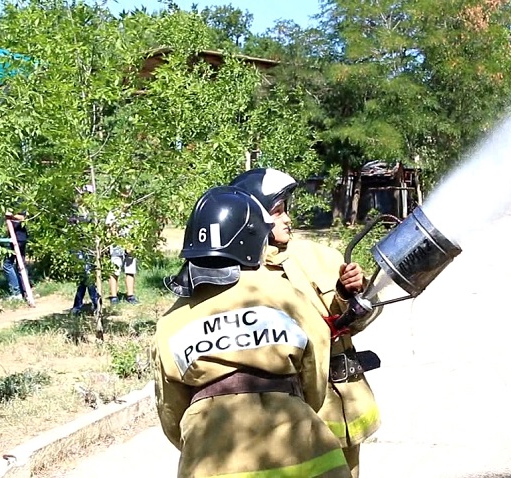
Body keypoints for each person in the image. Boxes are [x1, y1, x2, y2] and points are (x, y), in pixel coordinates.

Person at [153, 186, 350, 478]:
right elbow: (315, 376)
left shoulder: (170, 321)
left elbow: (171, 413)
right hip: (304, 454)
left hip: (211, 459)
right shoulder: (285, 296)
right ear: (254, 241)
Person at [229, 168, 380, 478]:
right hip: (290, 423)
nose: (287, 219)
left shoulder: (323, 256)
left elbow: (361, 321)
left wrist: (354, 294)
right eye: (277, 211)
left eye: (286, 210)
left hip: (346, 408)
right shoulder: (241, 277)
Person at [70, 185, 100, 314]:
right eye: (84, 194)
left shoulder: (95, 210)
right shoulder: (75, 210)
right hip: (77, 245)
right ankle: (94, 303)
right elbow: (70, 225)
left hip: (90, 246)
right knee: (85, 274)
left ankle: (79, 305)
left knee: (87, 275)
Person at [106, 200, 138, 305]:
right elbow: (110, 230)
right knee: (114, 271)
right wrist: (119, 241)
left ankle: (130, 295)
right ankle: (113, 296)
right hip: (117, 245)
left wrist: (132, 244)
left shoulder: (133, 214)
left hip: (130, 245)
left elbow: (136, 230)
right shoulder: (113, 213)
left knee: (130, 270)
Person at [2, 209, 29, 300]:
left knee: (7, 265)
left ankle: (17, 292)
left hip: (18, 238)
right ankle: (24, 292)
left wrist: (11, 215)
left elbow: (23, 217)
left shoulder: (18, 203)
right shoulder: (10, 203)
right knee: (19, 266)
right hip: (15, 238)